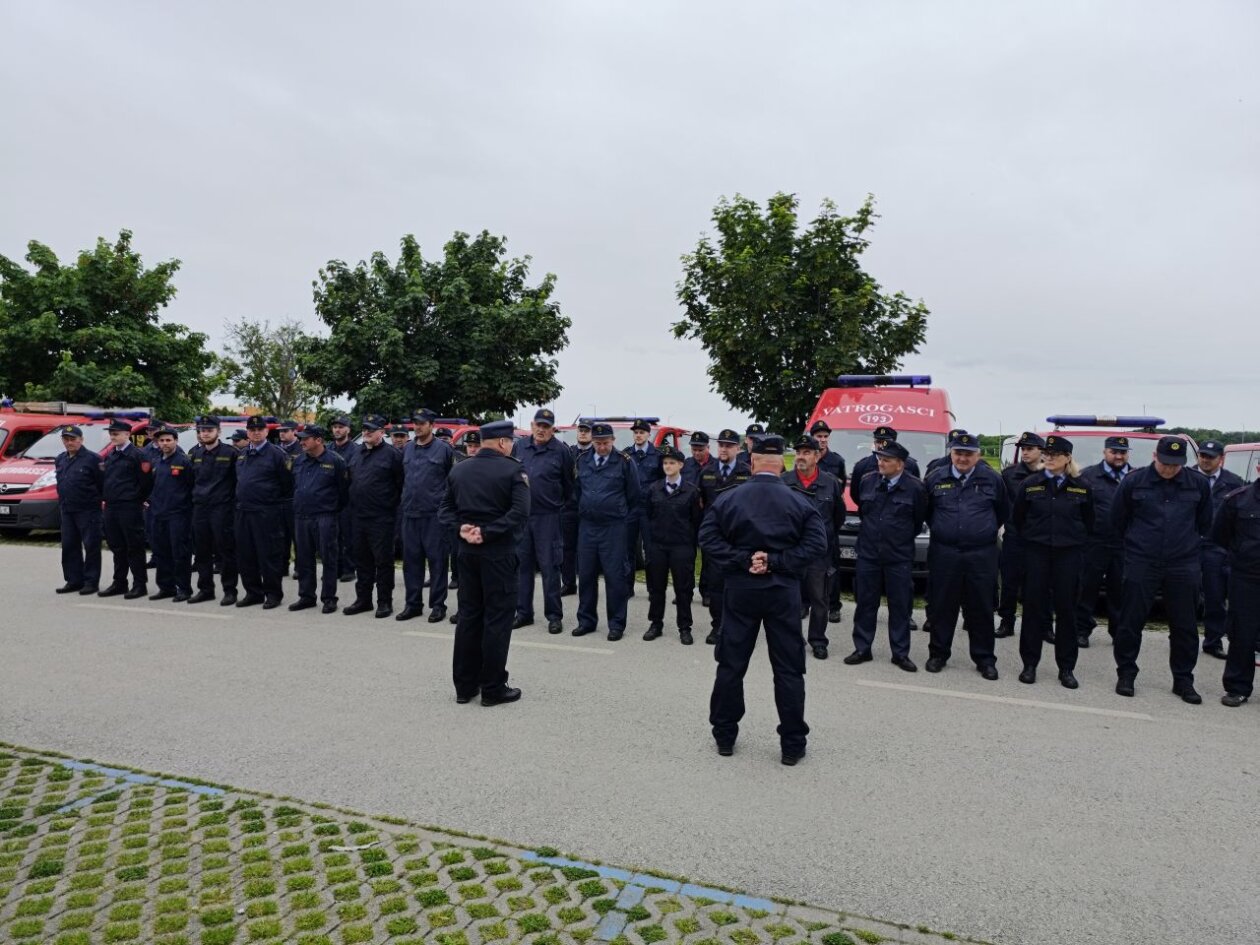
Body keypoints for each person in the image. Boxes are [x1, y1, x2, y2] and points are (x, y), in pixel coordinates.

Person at [701, 435, 828, 765]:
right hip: (781, 592)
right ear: (782, 463)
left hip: (741, 590)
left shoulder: (730, 499)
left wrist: (744, 560)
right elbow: (816, 544)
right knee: (788, 669)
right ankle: (792, 744)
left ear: (752, 461)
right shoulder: (799, 501)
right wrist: (777, 562)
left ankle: (725, 735)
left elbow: (708, 538)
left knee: (731, 664)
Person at [1111, 436, 1212, 702]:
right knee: (1131, 621)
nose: (1169, 469)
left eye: (1175, 465)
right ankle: (1126, 673)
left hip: (1182, 563)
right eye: (1165, 463)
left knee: (1185, 625)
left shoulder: (1198, 484)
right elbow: (1118, 520)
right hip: (1142, 560)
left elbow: (1204, 523)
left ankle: (1183, 680)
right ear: (1155, 456)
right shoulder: (1133, 481)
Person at [438, 419, 530, 706]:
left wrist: (462, 529)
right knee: (497, 619)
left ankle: (465, 687)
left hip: (467, 553)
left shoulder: (460, 468)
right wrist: (488, 532)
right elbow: (519, 513)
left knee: (469, 616)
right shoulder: (514, 470)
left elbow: (445, 509)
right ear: (503, 442)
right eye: (511, 440)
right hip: (498, 554)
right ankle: (492, 687)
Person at [922, 433, 1007, 680]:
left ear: (978, 455)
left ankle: (985, 659)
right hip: (945, 552)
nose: (962, 458)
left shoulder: (992, 479)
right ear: (951, 452)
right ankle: (938, 654)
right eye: (958, 453)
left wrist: (978, 532)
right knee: (942, 606)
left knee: (980, 607)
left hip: (981, 554)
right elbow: (927, 512)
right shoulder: (935, 478)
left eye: (968, 454)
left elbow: (1003, 512)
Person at [1011, 435, 1094, 688]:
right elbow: (1018, 519)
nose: (1049, 458)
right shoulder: (1030, 484)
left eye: (1055, 454)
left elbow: (1089, 522)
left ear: (1068, 458)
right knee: (1034, 609)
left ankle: (1066, 668)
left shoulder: (1081, 486)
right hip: (1036, 554)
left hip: (1068, 556)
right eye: (1046, 454)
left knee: (1067, 612)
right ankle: (1029, 664)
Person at [845, 440, 927, 671]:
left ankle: (900, 654)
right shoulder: (867, 481)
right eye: (880, 458)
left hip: (898, 556)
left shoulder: (915, 487)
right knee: (865, 604)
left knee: (900, 606)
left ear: (900, 464)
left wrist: (897, 539)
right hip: (869, 553)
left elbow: (917, 521)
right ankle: (862, 648)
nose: (881, 463)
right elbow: (864, 510)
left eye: (886, 460)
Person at [572, 422, 640, 640]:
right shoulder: (582, 460)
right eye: (597, 443)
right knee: (586, 575)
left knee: (615, 576)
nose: (601, 447)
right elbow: (576, 491)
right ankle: (586, 621)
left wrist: (620, 517)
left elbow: (634, 495)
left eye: (605, 443)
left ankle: (616, 624)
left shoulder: (624, 462)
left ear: (613, 441)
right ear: (592, 441)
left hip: (614, 527)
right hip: (588, 526)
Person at [512, 408, 575, 634]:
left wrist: (556, 507)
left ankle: (554, 616)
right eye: (538, 425)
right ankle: (524, 613)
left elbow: (569, 487)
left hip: (548, 517)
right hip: (522, 517)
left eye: (546, 426)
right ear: (531, 425)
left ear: (552, 429)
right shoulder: (519, 447)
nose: (541, 430)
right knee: (523, 567)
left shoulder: (561, 451)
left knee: (550, 568)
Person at [783, 436, 845, 659]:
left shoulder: (830, 483)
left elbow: (838, 516)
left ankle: (818, 640)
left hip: (819, 553)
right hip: (792, 551)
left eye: (807, 452)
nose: (801, 456)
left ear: (817, 456)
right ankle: (793, 639)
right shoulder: (784, 481)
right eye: (799, 452)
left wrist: (824, 537)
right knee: (791, 598)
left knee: (820, 599)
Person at [397, 408, 455, 622]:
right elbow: (400, 480)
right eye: (415, 423)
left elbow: (452, 482)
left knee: (437, 562)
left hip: (434, 515)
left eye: (422, 423)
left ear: (431, 425)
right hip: (410, 514)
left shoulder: (444, 450)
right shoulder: (407, 449)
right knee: (411, 563)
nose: (417, 426)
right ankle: (413, 604)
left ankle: (438, 605)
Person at [344, 415, 404, 619]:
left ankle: (384, 602)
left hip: (382, 518)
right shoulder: (357, 453)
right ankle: (363, 600)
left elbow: (400, 485)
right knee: (362, 561)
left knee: (383, 562)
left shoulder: (392, 455)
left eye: (371, 429)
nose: (366, 432)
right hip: (358, 517)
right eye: (364, 429)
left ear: (382, 432)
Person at [1075, 435, 1131, 647]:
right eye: (1114, 451)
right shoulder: (1088, 476)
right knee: (1087, 588)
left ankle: (1118, 632)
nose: (1118, 456)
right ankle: (1081, 630)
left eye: (1122, 452)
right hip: (1094, 542)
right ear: (1105, 452)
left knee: (1120, 591)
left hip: (1124, 544)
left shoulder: (1135, 477)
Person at [1211, 462, 1260, 706]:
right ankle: (1238, 687)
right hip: (1247, 577)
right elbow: (1220, 535)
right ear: (1259, 468)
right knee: (1243, 633)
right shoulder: (1238, 500)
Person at [643, 445, 702, 643]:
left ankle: (685, 627)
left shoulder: (692, 491)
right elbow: (649, 515)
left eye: (672, 463)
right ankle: (655, 624)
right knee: (657, 588)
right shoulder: (654, 489)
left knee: (683, 589)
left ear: (680, 465)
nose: (668, 466)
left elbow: (696, 520)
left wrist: (690, 544)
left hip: (682, 546)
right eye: (665, 463)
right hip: (658, 546)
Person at [698, 429, 752, 644]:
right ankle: (717, 626)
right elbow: (701, 504)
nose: (724, 448)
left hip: (739, 537)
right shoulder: (707, 472)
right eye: (721, 445)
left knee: (740, 585)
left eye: (729, 445)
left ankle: (738, 627)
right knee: (716, 586)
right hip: (716, 538)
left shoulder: (746, 473)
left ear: (737, 449)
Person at [289, 425, 350, 614]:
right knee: (304, 559)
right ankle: (306, 596)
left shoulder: (336, 461)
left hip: (325, 517)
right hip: (302, 517)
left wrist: (331, 510)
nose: (302, 442)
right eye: (301, 438)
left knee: (328, 558)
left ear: (318, 440)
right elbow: (293, 486)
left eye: (306, 438)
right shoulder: (298, 461)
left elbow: (344, 492)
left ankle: (329, 598)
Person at [234, 414, 292, 609]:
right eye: (252, 430)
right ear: (248, 432)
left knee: (269, 555)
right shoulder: (242, 453)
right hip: (244, 511)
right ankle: (253, 592)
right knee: (246, 555)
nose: (256, 433)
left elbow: (287, 485)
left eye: (259, 430)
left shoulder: (277, 454)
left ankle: (273, 594)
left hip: (267, 512)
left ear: (267, 431)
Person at [1195, 440, 1245, 659]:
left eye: (1210, 457)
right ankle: (1180, 636)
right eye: (1202, 455)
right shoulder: (1185, 477)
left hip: (1216, 548)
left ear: (1221, 459)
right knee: (1184, 597)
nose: (1205, 460)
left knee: (1215, 597)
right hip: (1187, 545)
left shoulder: (1233, 483)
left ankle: (1213, 641)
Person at [997, 432, 1045, 638]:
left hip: (1040, 539)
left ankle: (1043, 626)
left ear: (1041, 451)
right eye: (1022, 449)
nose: (1025, 452)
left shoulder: (1050, 474)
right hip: (1015, 537)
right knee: (1009, 582)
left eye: (1029, 449)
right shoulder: (1009, 474)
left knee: (1042, 584)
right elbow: (1000, 504)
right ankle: (1006, 622)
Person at [98, 418, 152, 599]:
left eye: (116, 434)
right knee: (117, 546)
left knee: (134, 547)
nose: (112, 437)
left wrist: (137, 499)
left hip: (130, 506)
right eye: (111, 434)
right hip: (112, 506)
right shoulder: (112, 454)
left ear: (127, 434)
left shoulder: (138, 455)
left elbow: (145, 483)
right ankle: (119, 582)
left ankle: (139, 584)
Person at [186, 416, 238, 606]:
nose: (205, 433)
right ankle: (205, 589)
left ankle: (230, 590)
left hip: (222, 509)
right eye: (202, 430)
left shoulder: (231, 453)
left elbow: (237, 482)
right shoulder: (195, 454)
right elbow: (190, 481)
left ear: (218, 432)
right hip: (200, 509)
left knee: (226, 552)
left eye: (209, 430)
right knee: (201, 552)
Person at [53, 424, 103, 595]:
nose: (69, 443)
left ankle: (91, 581)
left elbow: (101, 484)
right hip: (67, 509)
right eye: (66, 439)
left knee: (91, 546)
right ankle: (74, 580)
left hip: (88, 510)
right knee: (69, 546)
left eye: (73, 439)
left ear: (81, 440)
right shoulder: (60, 459)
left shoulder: (93, 459)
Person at [147, 426, 194, 602]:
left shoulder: (183, 461)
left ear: (176, 441)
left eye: (168, 440)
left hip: (178, 514)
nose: (165, 443)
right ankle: (166, 587)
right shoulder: (157, 461)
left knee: (180, 553)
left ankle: (184, 588)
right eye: (161, 440)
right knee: (161, 552)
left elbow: (191, 486)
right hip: (158, 513)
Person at [808, 420, 848, 623]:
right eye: (818, 436)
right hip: (808, 520)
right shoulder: (807, 459)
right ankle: (804, 603)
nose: (822, 440)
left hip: (827, 519)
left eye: (825, 437)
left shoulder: (836, 461)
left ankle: (834, 606)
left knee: (832, 569)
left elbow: (839, 496)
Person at [622, 418, 663, 593]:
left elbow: (662, 481)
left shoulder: (658, 455)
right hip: (630, 508)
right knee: (627, 548)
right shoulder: (625, 454)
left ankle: (653, 588)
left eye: (641, 432)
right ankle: (627, 587)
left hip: (649, 509)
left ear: (648, 434)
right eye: (636, 432)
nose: (638, 435)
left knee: (651, 550)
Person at [847, 426, 922, 506]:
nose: (881, 445)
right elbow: (856, 495)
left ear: (894, 442)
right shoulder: (862, 466)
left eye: (886, 442)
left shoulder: (910, 465)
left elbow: (916, 496)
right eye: (878, 441)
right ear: (874, 443)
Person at [560, 422, 591, 598]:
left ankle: (586, 582)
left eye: (587, 431)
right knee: (567, 547)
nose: (583, 434)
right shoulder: (568, 452)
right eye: (581, 430)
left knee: (586, 548)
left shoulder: (595, 454)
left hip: (587, 507)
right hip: (569, 506)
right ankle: (569, 583)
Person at [328, 416, 360, 582]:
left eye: (341, 427)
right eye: (335, 427)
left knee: (347, 535)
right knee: (332, 536)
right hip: (330, 498)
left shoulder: (356, 450)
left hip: (348, 499)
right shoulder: (328, 448)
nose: (337, 430)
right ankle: (336, 568)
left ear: (348, 429)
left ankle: (349, 568)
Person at [277, 419, 301, 577]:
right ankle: (283, 565)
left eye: (285, 431)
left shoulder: (301, 448)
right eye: (280, 431)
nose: (282, 433)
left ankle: (300, 566)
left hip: (295, 497)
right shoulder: (277, 449)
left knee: (297, 535)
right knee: (280, 535)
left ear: (294, 432)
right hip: (279, 497)